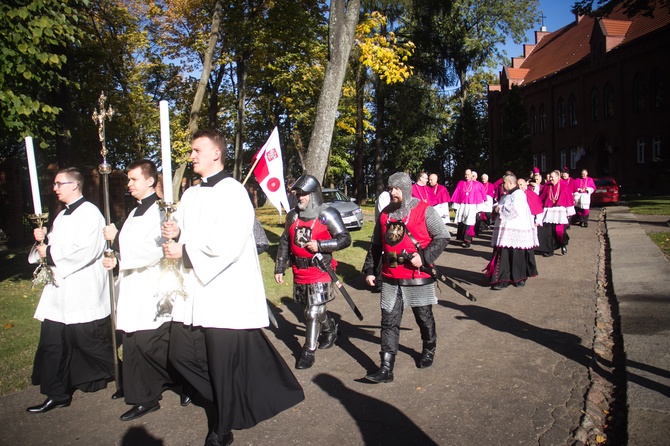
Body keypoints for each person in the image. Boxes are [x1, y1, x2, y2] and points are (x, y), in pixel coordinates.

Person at [161, 129, 304, 446]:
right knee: (181, 354)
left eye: (197, 150)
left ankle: (222, 428)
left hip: (223, 293)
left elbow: (227, 243)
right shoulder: (191, 194)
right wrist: (175, 229)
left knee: (222, 365)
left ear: (216, 153)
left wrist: (184, 252)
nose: (192, 155)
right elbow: (186, 231)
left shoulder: (234, 193)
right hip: (193, 292)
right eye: (192, 150)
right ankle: (232, 402)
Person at [26, 167, 116, 413]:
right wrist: (41, 240)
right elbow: (50, 249)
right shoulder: (61, 216)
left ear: (74, 185)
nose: (54, 188)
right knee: (52, 341)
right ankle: (56, 393)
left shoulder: (91, 214)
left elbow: (87, 251)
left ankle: (129, 378)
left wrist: (51, 252)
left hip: (81, 289)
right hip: (58, 291)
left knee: (89, 343)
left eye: (59, 183)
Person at [102, 160, 184, 422]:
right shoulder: (135, 211)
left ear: (150, 181)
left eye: (133, 179)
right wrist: (114, 256)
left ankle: (150, 395)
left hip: (151, 284)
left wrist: (119, 248)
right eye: (128, 179)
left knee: (148, 343)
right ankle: (140, 389)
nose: (128, 184)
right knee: (135, 340)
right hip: (132, 284)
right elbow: (130, 244)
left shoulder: (162, 212)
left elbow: (157, 248)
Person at [362, 172, 451, 383]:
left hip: (416, 274)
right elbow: (376, 245)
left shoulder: (424, 210)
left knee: (423, 316)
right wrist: (369, 271)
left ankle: (429, 349)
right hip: (391, 274)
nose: (392, 192)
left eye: (396, 188)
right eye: (390, 188)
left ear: (406, 189)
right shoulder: (385, 214)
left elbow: (442, 236)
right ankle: (386, 368)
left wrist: (424, 257)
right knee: (389, 322)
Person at [274, 174, 351, 369]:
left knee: (312, 311)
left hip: (320, 269)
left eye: (303, 194)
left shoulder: (327, 214)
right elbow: (285, 241)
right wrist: (280, 267)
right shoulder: (293, 216)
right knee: (314, 309)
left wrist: (321, 245)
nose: (299, 197)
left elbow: (344, 238)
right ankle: (331, 329)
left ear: (313, 194)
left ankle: (308, 351)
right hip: (300, 271)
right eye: (298, 194)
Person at [484, 174, 538, 289]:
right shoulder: (506, 195)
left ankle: (518, 278)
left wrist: (500, 208)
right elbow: (499, 205)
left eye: (504, 183)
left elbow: (514, 210)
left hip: (516, 230)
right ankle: (504, 279)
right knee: (505, 255)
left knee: (516, 256)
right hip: (505, 232)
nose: (502, 185)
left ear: (510, 183)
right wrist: (496, 207)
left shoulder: (519, 195)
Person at [537, 170, 576, 257]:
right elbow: (541, 198)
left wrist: (569, 212)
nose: (550, 178)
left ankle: (563, 243)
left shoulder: (564, 186)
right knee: (549, 232)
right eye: (550, 176)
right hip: (549, 211)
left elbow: (568, 199)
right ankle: (549, 250)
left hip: (560, 212)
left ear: (558, 178)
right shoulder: (547, 186)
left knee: (559, 231)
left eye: (552, 177)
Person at [450, 168, 486, 248]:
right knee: (462, 222)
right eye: (465, 174)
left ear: (471, 175)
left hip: (471, 206)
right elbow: (457, 194)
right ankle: (462, 238)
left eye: (468, 174)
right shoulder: (461, 183)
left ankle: (467, 240)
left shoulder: (476, 184)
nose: (467, 176)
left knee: (469, 223)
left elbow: (478, 196)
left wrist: (479, 208)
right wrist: (455, 206)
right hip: (462, 205)